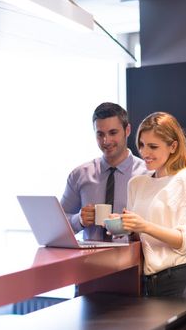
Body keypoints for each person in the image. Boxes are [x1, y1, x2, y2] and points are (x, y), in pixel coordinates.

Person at [115, 111, 186, 324]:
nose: (144, 152)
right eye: (141, 145)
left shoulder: (185, 179)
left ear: (173, 147)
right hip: (149, 285)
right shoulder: (137, 184)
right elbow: (137, 235)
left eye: (153, 146)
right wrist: (122, 226)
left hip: (183, 284)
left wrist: (145, 226)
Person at [60, 102, 148, 241]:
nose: (106, 141)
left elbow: (158, 225)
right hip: (89, 261)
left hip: (133, 260)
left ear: (127, 130)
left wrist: (131, 226)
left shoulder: (147, 174)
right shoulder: (79, 175)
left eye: (113, 133)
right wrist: (79, 220)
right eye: (100, 134)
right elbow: (59, 223)